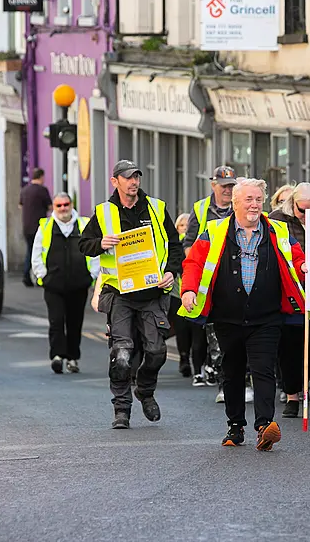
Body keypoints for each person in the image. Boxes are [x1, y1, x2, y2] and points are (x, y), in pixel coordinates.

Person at [180, 178, 306, 451]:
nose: (254, 204)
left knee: (263, 370)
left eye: (259, 199)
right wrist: (188, 290)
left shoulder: (279, 231)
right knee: (233, 371)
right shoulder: (214, 231)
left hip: (267, 315)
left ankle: (264, 426)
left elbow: (296, 257)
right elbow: (193, 263)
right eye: (248, 199)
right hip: (228, 316)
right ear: (235, 203)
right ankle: (235, 426)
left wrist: (304, 266)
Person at [79, 160, 183, 429]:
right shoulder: (104, 213)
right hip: (120, 294)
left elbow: (175, 246)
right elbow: (84, 244)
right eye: (128, 178)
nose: (134, 182)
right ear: (115, 181)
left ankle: (145, 391)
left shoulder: (156, 208)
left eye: (136, 177)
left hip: (151, 292)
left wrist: (172, 271)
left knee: (158, 351)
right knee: (122, 354)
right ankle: (121, 410)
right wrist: (100, 243)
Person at [269, 182, 310, 421]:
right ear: (292, 204)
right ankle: (292, 395)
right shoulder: (277, 219)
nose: (306, 215)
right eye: (301, 210)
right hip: (287, 290)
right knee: (290, 345)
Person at [182, 166, 237, 394]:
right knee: (213, 334)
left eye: (232, 186)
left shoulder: (242, 205)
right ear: (213, 185)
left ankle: (235, 380)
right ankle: (224, 381)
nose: (228, 190)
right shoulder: (201, 208)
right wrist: (197, 270)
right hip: (210, 281)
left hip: (236, 278)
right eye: (224, 186)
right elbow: (188, 243)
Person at [32, 192, 98, 374]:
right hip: (53, 285)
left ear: (71, 204)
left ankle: (72, 357)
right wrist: (42, 276)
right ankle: (57, 356)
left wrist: (92, 275)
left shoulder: (84, 224)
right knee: (56, 321)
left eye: (66, 204)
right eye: (59, 205)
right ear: (54, 207)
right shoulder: (45, 226)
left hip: (79, 284)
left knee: (75, 323)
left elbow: (94, 252)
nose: (63, 208)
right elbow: (36, 253)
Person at [169, 213, 196, 378]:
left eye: (188, 226)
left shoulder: (195, 245)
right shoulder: (175, 246)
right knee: (181, 329)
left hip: (194, 293)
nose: (185, 229)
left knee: (195, 330)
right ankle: (184, 358)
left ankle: (197, 360)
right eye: (181, 226)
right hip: (176, 294)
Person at [19, 168, 52, 287]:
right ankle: (39, 277)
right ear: (41, 177)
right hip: (39, 226)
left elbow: (20, 205)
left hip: (26, 226)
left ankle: (26, 276)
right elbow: (50, 207)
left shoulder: (25, 190)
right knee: (40, 252)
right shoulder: (42, 190)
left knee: (30, 251)